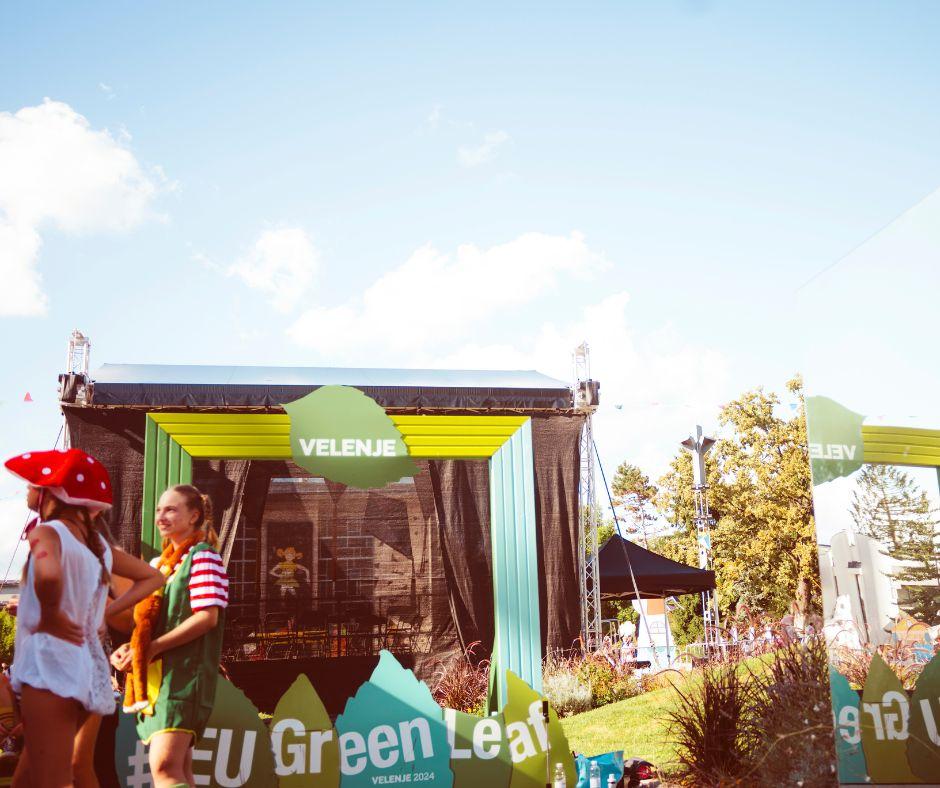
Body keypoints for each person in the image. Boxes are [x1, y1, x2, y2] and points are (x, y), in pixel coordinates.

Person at [3, 448, 164, 788]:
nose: (28, 490)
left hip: (51, 666)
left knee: (42, 775)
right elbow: (153, 578)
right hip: (88, 668)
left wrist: (52, 618)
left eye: (35, 484)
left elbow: (48, 578)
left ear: (55, 492)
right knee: (73, 769)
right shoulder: (97, 546)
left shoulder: (49, 533)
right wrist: (104, 611)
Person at [111, 485, 229, 788]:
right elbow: (153, 625)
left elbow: (207, 617)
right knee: (179, 769)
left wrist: (153, 648)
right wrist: (131, 648)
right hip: (160, 678)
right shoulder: (160, 565)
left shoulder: (203, 557)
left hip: (185, 676)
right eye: (159, 509)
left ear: (194, 515)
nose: (161, 516)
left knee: (165, 767)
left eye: (171, 509)